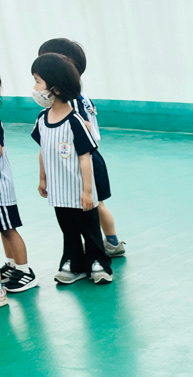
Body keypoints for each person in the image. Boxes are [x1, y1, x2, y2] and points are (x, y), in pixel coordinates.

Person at [38, 38, 125, 257]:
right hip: (91, 155)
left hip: (83, 158)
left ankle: (108, 244)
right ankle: (112, 241)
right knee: (98, 204)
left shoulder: (70, 100)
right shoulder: (81, 95)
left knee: (93, 205)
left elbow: (82, 128)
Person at [31, 53, 112, 284]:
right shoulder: (42, 119)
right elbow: (43, 150)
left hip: (79, 190)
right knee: (68, 228)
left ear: (55, 88)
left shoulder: (75, 121)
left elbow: (85, 158)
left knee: (89, 228)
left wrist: (87, 191)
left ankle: (99, 263)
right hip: (58, 191)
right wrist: (42, 178)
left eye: (38, 81)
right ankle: (73, 263)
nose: (34, 88)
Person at [0, 77, 38, 297]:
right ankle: (12, 264)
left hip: (1, 190)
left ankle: (25, 271)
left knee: (9, 229)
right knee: (2, 229)